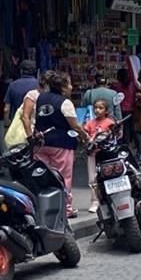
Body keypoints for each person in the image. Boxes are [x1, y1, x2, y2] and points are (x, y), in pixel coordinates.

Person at [33, 71, 88, 218]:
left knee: (42, 176)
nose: (71, 87)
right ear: (63, 87)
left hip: (41, 143)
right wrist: (85, 137)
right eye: (69, 84)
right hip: (61, 144)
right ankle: (66, 209)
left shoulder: (40, 98)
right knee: (63, 177)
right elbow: (75, 126)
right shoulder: (65, 102)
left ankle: (42, 207)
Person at [84, 98, 116, 213]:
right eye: (95, 108)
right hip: (93, 154)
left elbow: (115, 137)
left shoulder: (110, 123)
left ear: (106, 111)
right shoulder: (90, 123)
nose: (97, 110)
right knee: (93, 178)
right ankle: (95, 201)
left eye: (100, 108)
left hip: (106, 154)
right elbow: (85, 134)